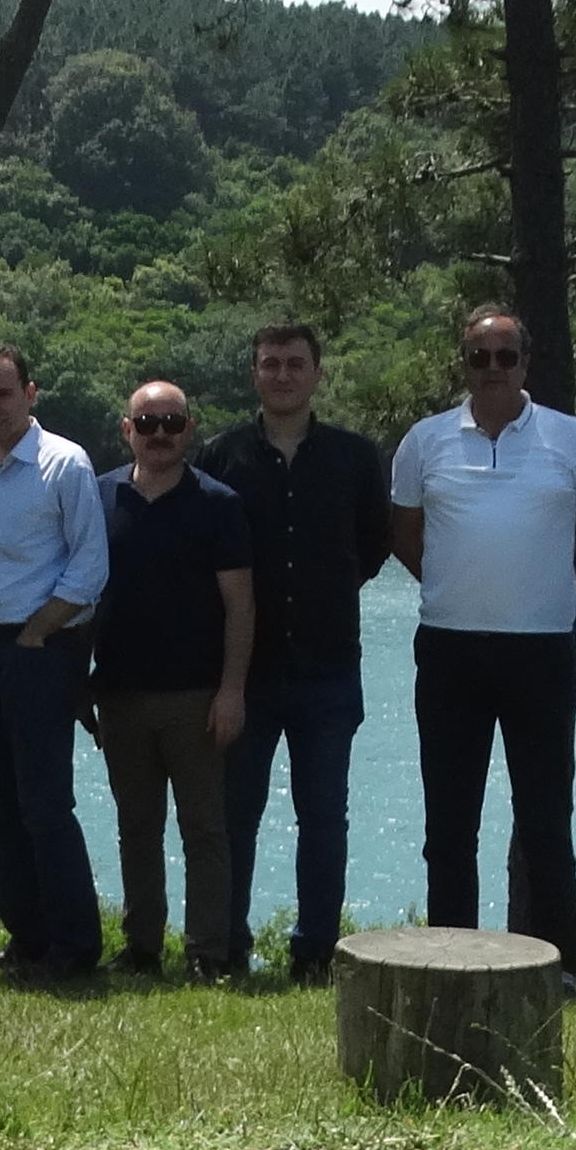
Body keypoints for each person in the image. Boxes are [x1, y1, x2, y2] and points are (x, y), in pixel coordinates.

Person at [393, 305, 576, 970]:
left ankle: (560, 965)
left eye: (506, 356)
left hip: (542, 650)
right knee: (449, 824)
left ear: (527, 361)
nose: (493, 369)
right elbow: (407, 540)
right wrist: (460, 585)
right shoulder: (423, 442)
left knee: (547, 819)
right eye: (479, 357)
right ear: (462, 364)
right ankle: (450, 959)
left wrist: (539, 588)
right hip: (449, 648)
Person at [208, 321, 391, 977]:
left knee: (324, 821)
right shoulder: (221, 455)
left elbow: (372, 547)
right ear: (254, 374)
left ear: (317, 373)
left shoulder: (355, 457)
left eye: (294, 364)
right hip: (246, 675)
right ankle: (228, 946)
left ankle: (316, 952)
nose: (281, 375)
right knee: (234, 819)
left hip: (329, 667)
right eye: (269, 364)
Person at [0, 344, 111, 978]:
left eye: (4, 394)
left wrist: (39, 634)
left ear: (30, 393)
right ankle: (28, 939)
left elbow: (90, 565)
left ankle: (75, 947)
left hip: (38, 651)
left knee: (44, 805)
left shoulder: (64, 464)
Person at [92, 380, 256, 978]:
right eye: (147, 421)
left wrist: (232, 691)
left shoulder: (219, 504)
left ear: (190, 429)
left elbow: (241, 606)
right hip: (119, 694)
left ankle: (207, 953)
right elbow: (81, 595)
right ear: (127, 428)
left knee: (204, 831)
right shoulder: (97, 496)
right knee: (136, 828)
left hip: (196, 696)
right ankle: (141, 947)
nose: (159, 433)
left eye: (171, 421)